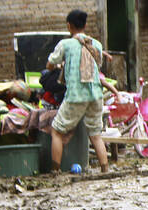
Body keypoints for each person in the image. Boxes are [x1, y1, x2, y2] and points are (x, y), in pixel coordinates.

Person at [46, 9, 109, 173]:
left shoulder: (65, 44)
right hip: (96, 95)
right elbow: (98, 65)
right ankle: (105, 169)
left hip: (76, 95)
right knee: (95, 134)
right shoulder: (96, 44)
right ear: (85, 25)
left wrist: (57, 66)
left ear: (69, 26)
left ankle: (55, 170)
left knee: (57, 130)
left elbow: (50, 64)